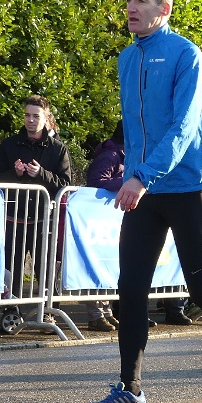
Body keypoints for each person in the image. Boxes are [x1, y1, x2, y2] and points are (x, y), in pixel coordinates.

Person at [84, 0, 202, 403]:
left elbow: (184, 127)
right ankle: (130, 389)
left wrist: (141, 176)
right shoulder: (126, 58)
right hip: (145, 188)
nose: (130, 8)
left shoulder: (185, 54)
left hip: (188, 187)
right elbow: (133, 128)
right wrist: (133, 172)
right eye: (128, 1)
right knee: (131, 288)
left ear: (164, 9)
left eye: (141, 1)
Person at [0, 94, 73, 331]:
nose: (30, 120)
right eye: (27, 115)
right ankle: (11, 313)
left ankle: (49, 313)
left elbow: (66, 184)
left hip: (43, 219)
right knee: (11, 269)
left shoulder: (58, 148)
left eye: (36, 116)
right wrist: (14, 174)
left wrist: (41, 174)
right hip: (13, 217)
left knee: (45, 269)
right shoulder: (10, 144)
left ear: (46, 119)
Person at [83, 121, 126, 332]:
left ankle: (106, 311)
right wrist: (124, 182)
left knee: (107, 266)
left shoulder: (121, 154)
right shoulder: (110, 155)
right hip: (97, 219)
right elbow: (96, 183)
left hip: (108, 219)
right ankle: (96, 315)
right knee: (97, 264)